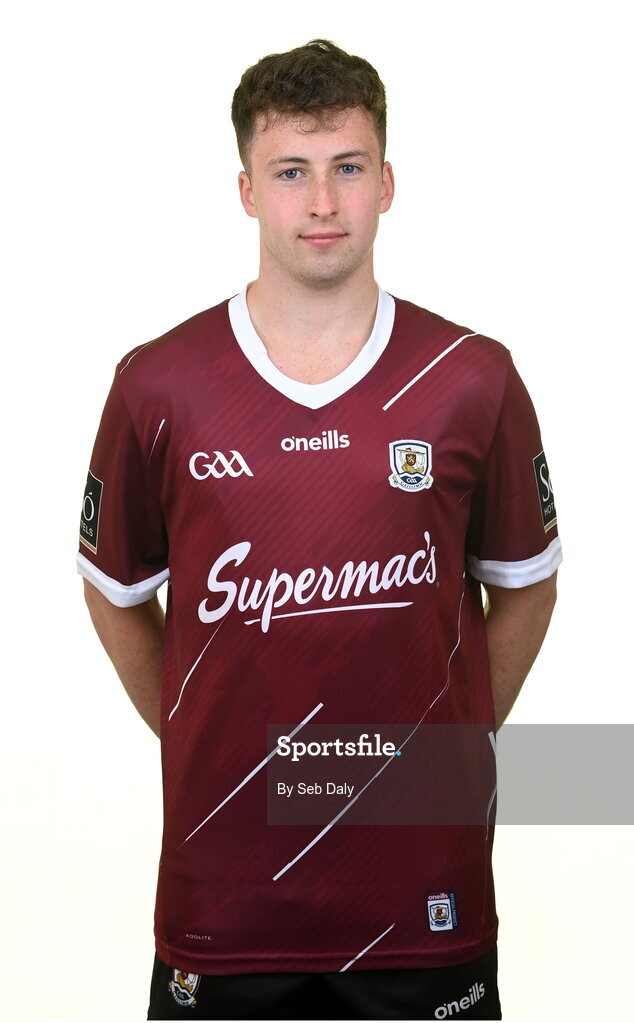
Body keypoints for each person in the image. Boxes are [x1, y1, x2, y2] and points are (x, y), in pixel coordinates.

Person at [77, 38, 561, 1021]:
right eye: (291, 172)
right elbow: (118, 593)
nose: (323, 202)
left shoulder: (470, 379)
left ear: (386, 182)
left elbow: (526, 585)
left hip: (424, 895)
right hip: (226, 898)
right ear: (247, 190)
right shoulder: (159, 385)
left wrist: (434, 757)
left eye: (346, 168)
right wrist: (207, 742)